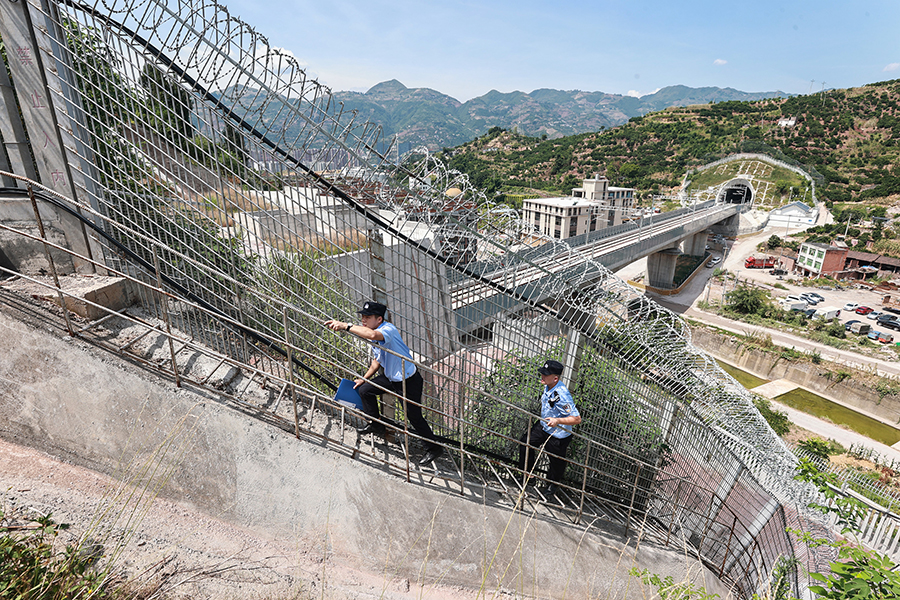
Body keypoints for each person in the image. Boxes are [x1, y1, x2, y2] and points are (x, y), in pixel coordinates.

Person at [325, 301, 443, 465]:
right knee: (365, 389)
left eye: (367, 317)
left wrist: (345, 326)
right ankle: (376, 424)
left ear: (379, 319)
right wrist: (364, 378)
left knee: (413, 416)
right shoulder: (374, 332)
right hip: (391, 377)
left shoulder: (388, 330)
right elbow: (376, 362)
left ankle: (434, 448)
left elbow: (372, 336)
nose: (363, 320)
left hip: (408, 380)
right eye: (362, 317)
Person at [518, 359, 581, 496]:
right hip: (544, 425)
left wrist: (558, 420)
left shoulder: (562, 395)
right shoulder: (548, 385)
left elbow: (577, 419)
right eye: (543, 373)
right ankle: (528, 476)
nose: (542, 376)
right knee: (525, 442)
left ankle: (552, 487)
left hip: (558, 434)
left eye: (546, 375)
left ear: (556, 378)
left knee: (555, 462)